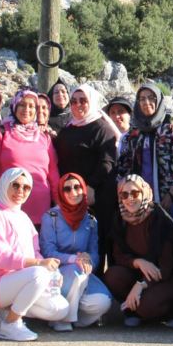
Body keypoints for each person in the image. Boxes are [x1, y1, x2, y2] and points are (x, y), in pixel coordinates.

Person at [0, 167, 71, 341]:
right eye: (15, 185)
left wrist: (52, 271)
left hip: (21, 280)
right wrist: (39, 265)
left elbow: (35, 252)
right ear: (5, 184)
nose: (20, 191)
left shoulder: (23, 217)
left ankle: (9, 308)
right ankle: (11, 323)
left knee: (61, 309)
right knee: (39, 274)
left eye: (26, 187)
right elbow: (1, 258)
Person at [103, 174, 173, 327]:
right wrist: (138, 262)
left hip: (168, 276)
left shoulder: (159, 219)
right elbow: (118, 256)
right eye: (124, 194)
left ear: (145, 193)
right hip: (142, 272)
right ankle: (133, 309)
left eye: (135, 193)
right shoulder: (120, 219)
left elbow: (166, 267)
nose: (130, 198)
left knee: (147, 306)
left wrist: (140, 285)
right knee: (112, 276)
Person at [53, 85, 119, 260]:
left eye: (83, 100)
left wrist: (90, 186)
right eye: (74, 101)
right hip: (72, 196)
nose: (77, 105)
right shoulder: (68, 129)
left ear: (92, 102)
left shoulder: (101, 129)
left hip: (97, 196)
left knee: (97, 241)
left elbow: (108, 161)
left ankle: (100, 281)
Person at [40, 173, 113, 330]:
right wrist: (74, 259)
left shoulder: (91, 220)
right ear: (61, 192)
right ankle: (62, 319)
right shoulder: (50, 217)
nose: (73, 192)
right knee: (76, 271)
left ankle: (71, 318)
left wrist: (89, 260)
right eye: (67, 189)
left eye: (77, 187)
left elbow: (95, 253)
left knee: (103, 301)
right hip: (57, 272)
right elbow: (47, 251)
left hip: (81, 274)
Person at [117, 82, 173, 227]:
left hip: (168, 196)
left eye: (151, 98)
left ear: (159, 100)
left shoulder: (171, 126)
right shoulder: (134, 131)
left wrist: (172, 192)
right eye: (142, 99)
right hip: (140, 198)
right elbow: (125, 163)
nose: (146, 102)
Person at [0, 89, 61, 223]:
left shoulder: (44, 137)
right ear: (14, 106)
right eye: (22, 105)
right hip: (9, 208)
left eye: (31, 106)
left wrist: (59, 202)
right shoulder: (0, 132)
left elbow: (52, 172)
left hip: (41, 209)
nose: (26, 109)